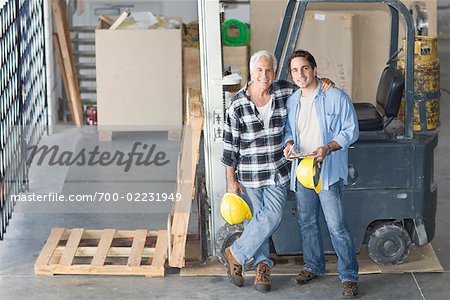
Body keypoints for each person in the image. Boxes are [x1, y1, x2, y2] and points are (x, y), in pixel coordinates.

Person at [221, 50, 333, 293]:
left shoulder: (284, 91)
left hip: (278, 171)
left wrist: (323, 82)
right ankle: (263, 268)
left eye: (268, 70)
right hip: (250, 174)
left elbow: (307, 88)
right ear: (251, 72)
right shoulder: (237, 104)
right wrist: (231, 180)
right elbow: (230, 147)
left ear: (274, 72)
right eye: (259, 70)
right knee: (258, 219)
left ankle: (236, 253)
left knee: (271, 215)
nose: (264, 75)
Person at [283, 49, 360, 297]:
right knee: (307, 222)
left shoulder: (335, 96)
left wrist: (328, 147)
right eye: (295, 70)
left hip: (326, 170)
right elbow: (288, 131)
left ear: (314, 70)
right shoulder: (292, 100)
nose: (300, 74)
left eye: (304, 68)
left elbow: (351, 131)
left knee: (336, 226)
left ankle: (348, 276)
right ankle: (313, 266)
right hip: (302, 169)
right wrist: (288, 145)